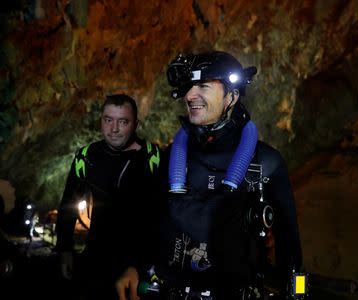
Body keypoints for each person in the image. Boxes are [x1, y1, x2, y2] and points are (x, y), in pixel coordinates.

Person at [116, 51, 302, 300]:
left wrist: (298, 294)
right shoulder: (174, 156)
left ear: (232, 96)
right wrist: (133, 266)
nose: (190, 95)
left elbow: (289, 242)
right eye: (189, 87)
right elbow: (150, 217)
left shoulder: (265, 163)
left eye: (203, 85)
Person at [55, 94, 162, 300]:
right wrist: (65, 249)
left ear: (135, 124)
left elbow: (161, 214)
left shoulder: (151, 158)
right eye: (108, 120)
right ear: (101, 120)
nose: (114, 129)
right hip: (96, 256)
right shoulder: (86, 157)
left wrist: (141, 264)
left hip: (137, 262)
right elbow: (68, 204)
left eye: (123, 122)